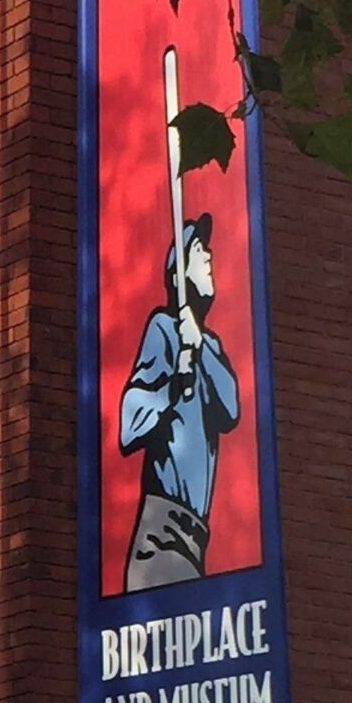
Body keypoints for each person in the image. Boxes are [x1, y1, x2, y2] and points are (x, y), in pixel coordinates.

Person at [118, 213, 240, 590]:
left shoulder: (209, 344)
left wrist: (198, 343)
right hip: (164, 530)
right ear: (179, 277)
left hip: (194, 535)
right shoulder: (163, 329)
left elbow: (231, 409)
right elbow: (130, 425)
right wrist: (174, 381)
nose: (209, 257)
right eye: (199, 251)